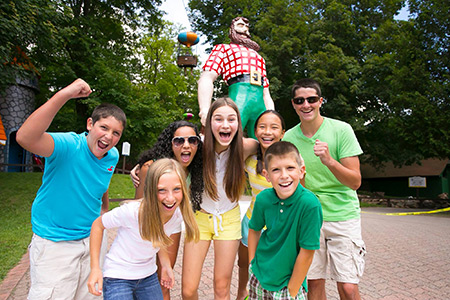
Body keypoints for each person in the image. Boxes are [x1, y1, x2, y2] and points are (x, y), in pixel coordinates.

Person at [16, 78, 126, 300]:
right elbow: (24, 137)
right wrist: (64, 94)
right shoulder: (68, 146)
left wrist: (104, 209)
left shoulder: (111, 155)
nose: (108, 136)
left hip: (92, 240)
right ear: (89, 125)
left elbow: (101, 182)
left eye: (116, 133)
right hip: (55, 243)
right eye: (103, 127)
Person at [283, 78, 366, 300]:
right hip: (310, 217)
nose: (306, 105)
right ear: (293, 104)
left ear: (320, 101)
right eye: (300, 100)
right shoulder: (289, 137)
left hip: (342, 215)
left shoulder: (341, 130)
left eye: (311, 99)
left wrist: (329, 161)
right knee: (314, 283)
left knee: (348, 287)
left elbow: (355, 181)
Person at [87, 158, 200, 299]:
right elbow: (98, 225)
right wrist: (95, 268)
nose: (170, 198)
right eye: (162, 190)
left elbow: (160, 237)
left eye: (176, 189)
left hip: (147, 275)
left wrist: (165, 266)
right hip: (118, 275)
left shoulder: (176, 214)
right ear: (151, 190)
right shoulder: (133, 212)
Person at [182, 97, 258, 300]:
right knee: (188, 290)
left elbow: (272, 146)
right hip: (198, 218)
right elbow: (167, 151)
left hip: (229, 219)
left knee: (221, 287)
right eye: (218, 119)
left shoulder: (246, 146)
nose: (225, 125)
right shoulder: (196, 145)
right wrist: (142, 164)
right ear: (208, 123)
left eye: (231, 119)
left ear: (238, 124)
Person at [131, 120, 203, 300]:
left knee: (164, 279)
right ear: (170, 144)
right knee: (140, 282)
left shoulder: (196, 168)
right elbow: (138, 208)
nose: (186, 145)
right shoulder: (150, 168)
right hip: (147, 228)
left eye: (192, 140)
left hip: (172, 227)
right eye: (179, 141)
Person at [248, 141, 323, 300]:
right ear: (267, 175)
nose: (284, 175)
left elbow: (307, 252)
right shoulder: (263, 199)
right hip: (259, 276)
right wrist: (252, 264)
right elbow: (254, 229)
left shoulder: (310, 205)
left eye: (290, 168)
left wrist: (292, 290)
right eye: (276, 170)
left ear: (301, 171)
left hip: (288, 284)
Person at [236, 110, 286, 300]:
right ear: (255, 131)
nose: (267, 132)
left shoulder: (289, 161)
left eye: (274, 127)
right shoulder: (250, 159)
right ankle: (242, 293)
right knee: (243, 263)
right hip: (251, 223)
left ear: (282, 133)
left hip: (278, 228)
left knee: (273, 270)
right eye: (262, 127)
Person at [198, 17, 274, 138]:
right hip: (239, 96)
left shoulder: (259, 58)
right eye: (240, 25)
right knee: (231, 138)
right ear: (231, 29)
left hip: (260, 100)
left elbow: (266, 90)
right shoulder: (224, 48)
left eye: (246, 27)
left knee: (264, 141)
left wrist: (272, 113)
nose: (244, 29)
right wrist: (204, 110)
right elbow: (207, 77)